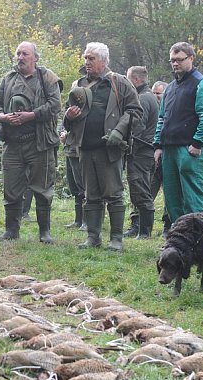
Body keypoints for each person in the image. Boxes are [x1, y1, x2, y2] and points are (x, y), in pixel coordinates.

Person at [63, 42, 143, 251]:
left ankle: (116, 239)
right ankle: (93, 237)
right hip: (85, 148)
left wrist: (119, 130)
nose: (87, 62)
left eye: (92, 59)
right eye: (86, 58)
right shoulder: (78, 85)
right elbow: (68, 116)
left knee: (114, 193)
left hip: (110, 149)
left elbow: (135, 111)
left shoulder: (120, 83)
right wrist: (68, 116)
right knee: (90, 195)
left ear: (104, 61)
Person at [0, 41, 62, 243]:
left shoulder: (47, 78)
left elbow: (55, 106)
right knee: (11, 188)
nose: (20, 57)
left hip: (39, 143)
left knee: (42, 188)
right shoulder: (8, 79)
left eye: (25, 54)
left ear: (35, 58)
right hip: (12, 143)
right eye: (18, 53)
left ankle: (44, 233)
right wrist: (3, 117)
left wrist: (31, 115)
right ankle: (11, 231)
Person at [153, 42, 203, 223]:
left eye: (179, 60)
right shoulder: (170, 88)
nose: (175, 64)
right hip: (169, 150)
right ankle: (179, 239)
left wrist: (197, 143)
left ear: (191, 58)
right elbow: (161, 119)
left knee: (193, 198)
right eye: (172, 60)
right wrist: (158, 145)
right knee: (173, 199)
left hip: (190, 149)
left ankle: (199, 238)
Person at [124, 66, 158, 239]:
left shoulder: (143, 98)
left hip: (141, 151)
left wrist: (126, 145)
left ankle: (144, 232)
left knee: (141, 190)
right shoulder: (147, 96)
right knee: (137, 189)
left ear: (136, 80)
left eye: (127, 78)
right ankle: (136, 227)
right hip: (143, 151)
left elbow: (138, 126)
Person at [149, 80, 171, 236]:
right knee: (148, 189)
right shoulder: (148, 107)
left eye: (158, 93)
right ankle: (142, 224)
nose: (155, 96)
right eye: (154, 93)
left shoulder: (170, 108)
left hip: (168, 155)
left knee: (170, 192)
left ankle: (167, 225)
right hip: (151, 156)